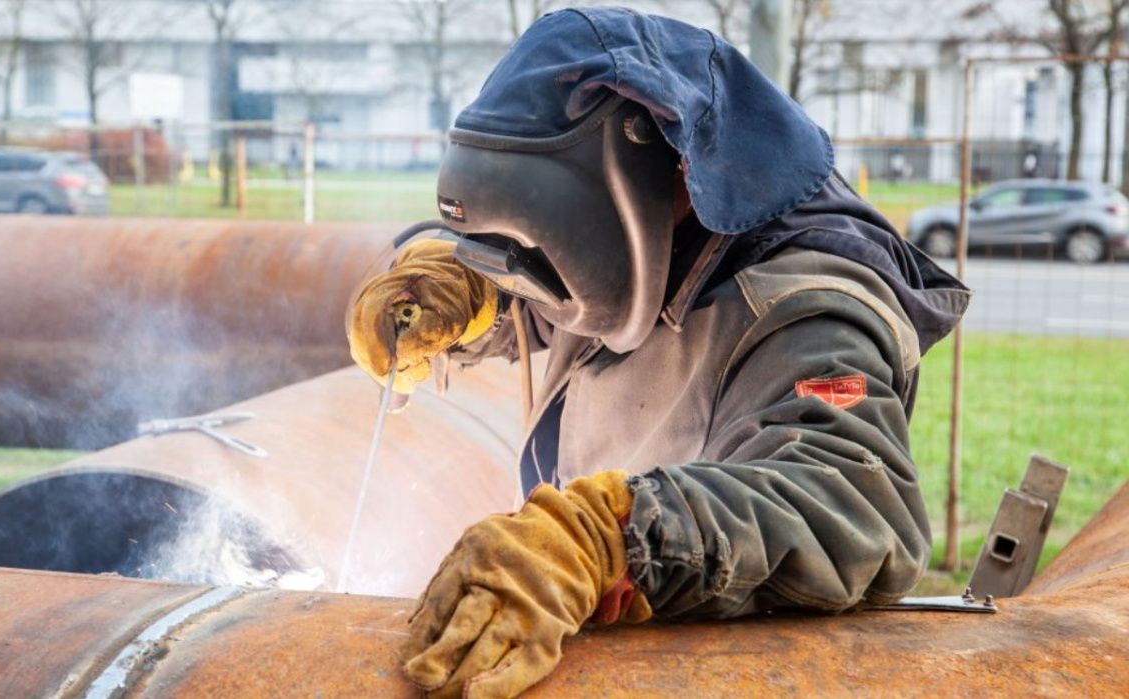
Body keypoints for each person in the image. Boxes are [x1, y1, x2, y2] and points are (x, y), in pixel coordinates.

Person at [347, 8, 970, 698]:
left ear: (663, 170)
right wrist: (473, 295)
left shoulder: (811, 313)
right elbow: (568, 302)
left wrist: (613, 538)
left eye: (536, 240)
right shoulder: (651, 243)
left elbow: (853, 503)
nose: (527, 268)